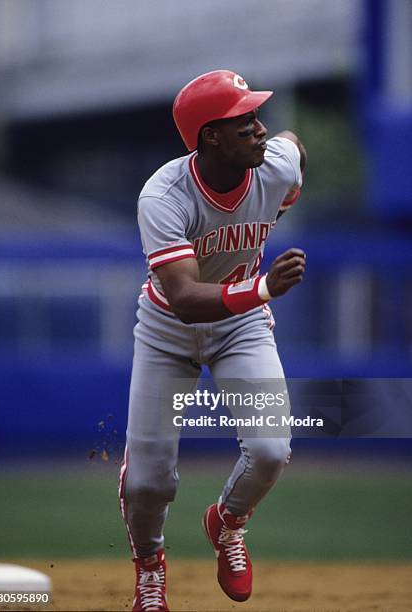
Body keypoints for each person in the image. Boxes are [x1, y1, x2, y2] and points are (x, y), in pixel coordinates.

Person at [119, 69, 307, 611]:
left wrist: (284, 200)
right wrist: (266, 285)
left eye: (256, 114)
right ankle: (151, 569)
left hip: (241, 325)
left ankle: (226, 524)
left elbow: (295, 149)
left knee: (271, 449)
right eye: (243, 120)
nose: (260, 127)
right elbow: (182, 296)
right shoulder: (163, 195)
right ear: (210, 137)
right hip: (167, 332)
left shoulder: (273, 165)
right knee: (150, 482)